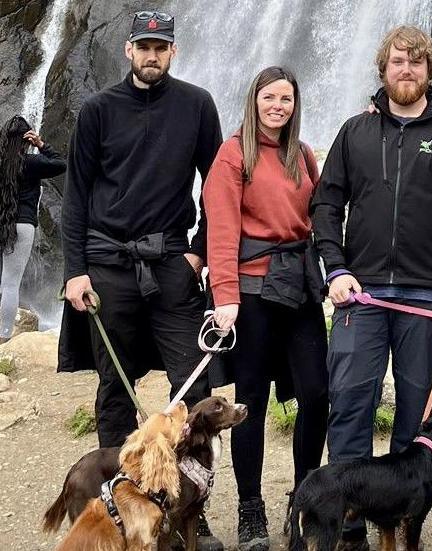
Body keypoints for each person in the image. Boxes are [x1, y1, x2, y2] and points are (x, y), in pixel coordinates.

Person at [311, 25, 432, 550]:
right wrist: (335, 269)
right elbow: (326, 206)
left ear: (430, 69)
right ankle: (347, 529)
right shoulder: (354, 132)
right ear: (383, 70)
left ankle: (399, 526)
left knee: (415, 420)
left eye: (415, 62)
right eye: (396, 63)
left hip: (426, 301)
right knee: (349, 405)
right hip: (358, 296)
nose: (405, 70)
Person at [58, 10, 223, 548]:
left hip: (174, 266)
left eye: (162, 47)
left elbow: (216, 187)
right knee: (113, 389)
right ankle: (122, 509)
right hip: (108, 269)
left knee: (196, 388)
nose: (153, 55)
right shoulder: (98, 109)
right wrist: (75, 271)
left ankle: (192, 510)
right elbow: (77, 194)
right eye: (144, 46)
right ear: (128, 50)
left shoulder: (197, 105)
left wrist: (199, 254)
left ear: (173, 52)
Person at [204, 66, 328, 551]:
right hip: (252, 294)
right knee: (250, 402)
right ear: (254, 100)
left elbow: (322, 213)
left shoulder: (304, 156)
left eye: (287, 99)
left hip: (298, 286)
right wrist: (226, 298)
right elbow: (220, 229)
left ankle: (306, 496)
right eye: (269, 97)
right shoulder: (234, 153)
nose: (278, 106)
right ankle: (250, 507)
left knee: (317, 393)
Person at [0, 116, 65, 343]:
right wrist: (41, 144)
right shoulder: (31, 163)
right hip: (22, 225)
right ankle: (3, 338)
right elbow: (60, 164)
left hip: (2, 223)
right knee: (10, 282)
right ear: (26, 139)